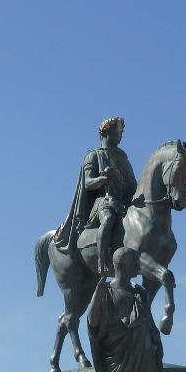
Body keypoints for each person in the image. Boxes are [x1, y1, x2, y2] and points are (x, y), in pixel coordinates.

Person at [57, 117, 137, 277]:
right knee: (108, 219)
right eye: (117, 131)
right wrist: (104, 179)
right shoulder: (93, 155)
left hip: (123, 201)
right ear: (106, 132)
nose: (121, 134)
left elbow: (132, 184)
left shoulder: (123, 157)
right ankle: (102, 261)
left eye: (122, 131)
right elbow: (88, 183)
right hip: (103, 201)